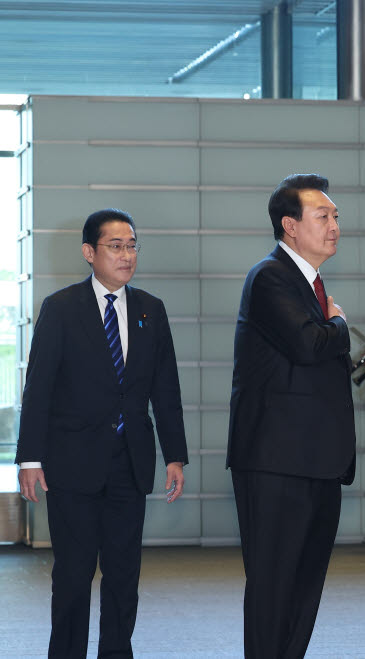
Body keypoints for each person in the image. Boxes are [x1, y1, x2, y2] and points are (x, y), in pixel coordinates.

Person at [16, 208, 188, 658]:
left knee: (123, 575)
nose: (126, 255)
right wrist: (29, 459)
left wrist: (175, 455)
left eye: (132, 245)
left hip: (129, 462)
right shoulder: (60, 308)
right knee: (72, 575)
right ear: (89, 253)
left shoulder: (152, 310)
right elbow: (39, 389)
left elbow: (165, 389)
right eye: (116, 246)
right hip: (72, 464)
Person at [227, 173, 356, 659]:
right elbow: (308, 345)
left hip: (317, 459)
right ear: (290, 226)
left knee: (304, 587)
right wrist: (340, 323)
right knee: (273, 585)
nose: (334, 225)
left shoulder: (312, 285)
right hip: (277, 461)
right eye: (322, 216)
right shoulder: (271, 276)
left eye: (336, 216)